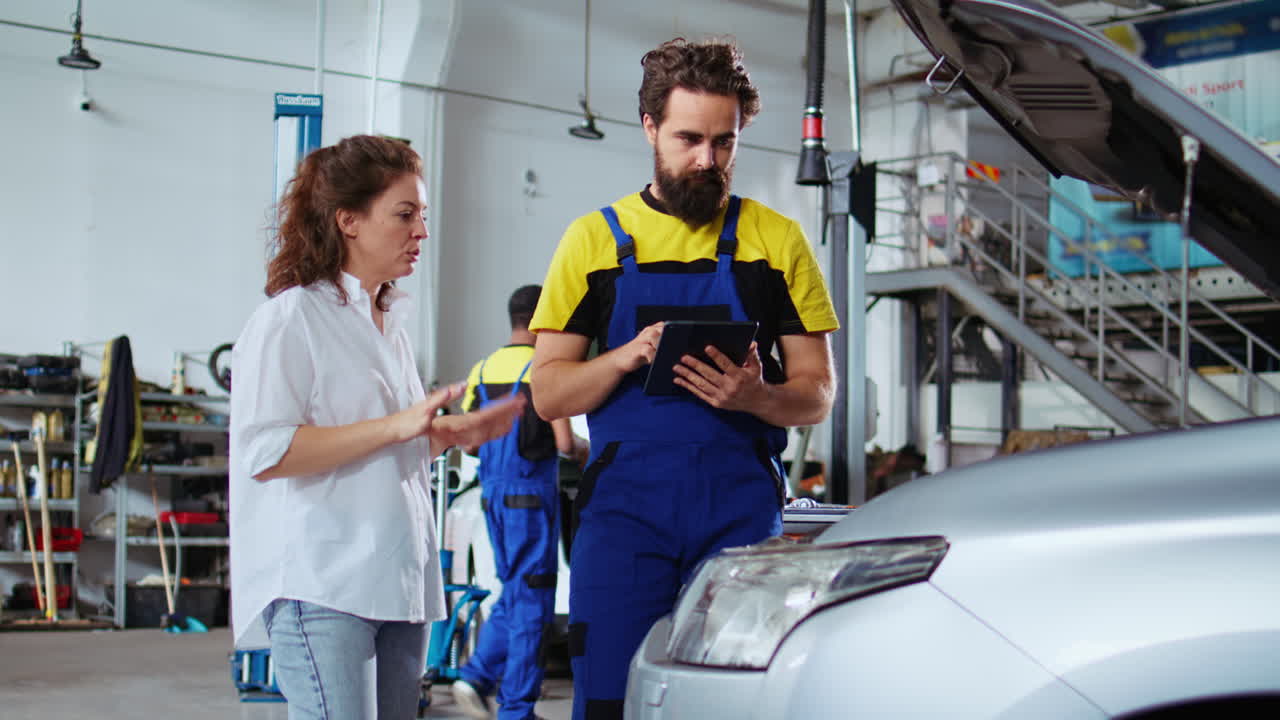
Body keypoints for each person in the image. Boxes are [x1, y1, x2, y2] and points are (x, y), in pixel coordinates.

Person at [528, 39, 839, 719]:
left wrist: (757, 395)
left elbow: (817, 391)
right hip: (624, 517)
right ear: (649, 128)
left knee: (730, 703)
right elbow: (547, 391)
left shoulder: (776, 240)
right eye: (689, 138)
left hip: (740, 515)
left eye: (724, 143)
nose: (707, 159)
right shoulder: (593, 241)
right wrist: (625, 357)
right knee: (609, 698)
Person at [229, 134, 525, 720]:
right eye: (405, 214)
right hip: (324, 582)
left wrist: (444, 436)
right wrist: (396, 427)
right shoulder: (291, 318)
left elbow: (392, 438)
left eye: (423, 215)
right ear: (349, 222)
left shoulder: (389, 324)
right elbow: (266, 451)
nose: (422, 230)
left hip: (398, 579)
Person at [451, 284, 588, 720]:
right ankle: (516, 709)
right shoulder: (544, 369)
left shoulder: (483, 368)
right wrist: (592, 452)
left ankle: (475, 676)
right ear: (542, 320)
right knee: (533, 599)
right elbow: (565, 443)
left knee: (514, 590)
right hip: (530, 497)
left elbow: (470, 442)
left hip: (493, 496)